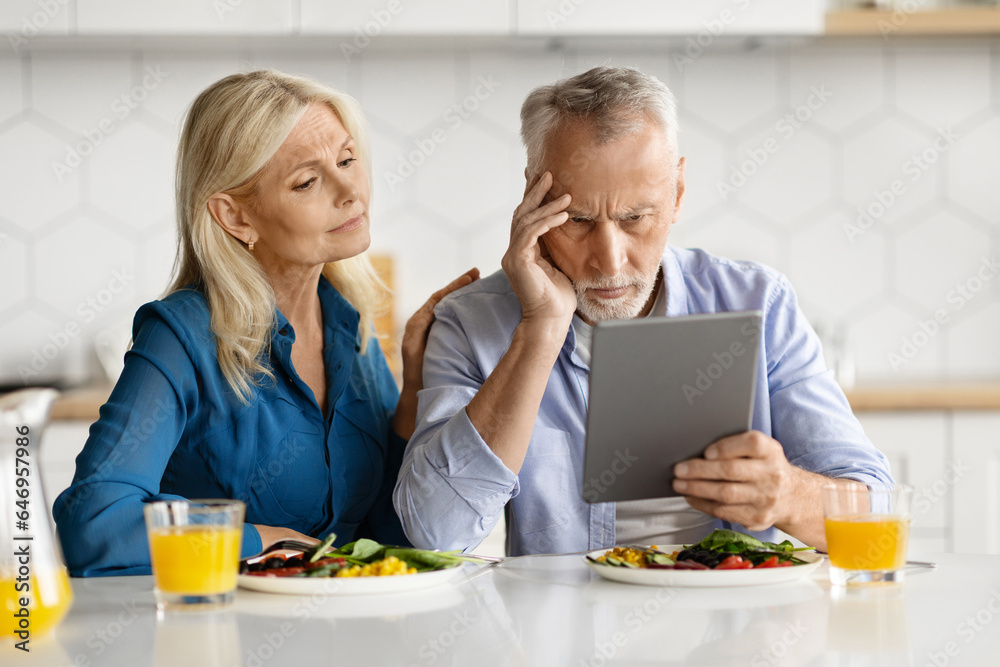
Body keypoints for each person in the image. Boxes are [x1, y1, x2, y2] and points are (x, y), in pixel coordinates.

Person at [393, 66, 892, 556]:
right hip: (564, 633)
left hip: (729, 627)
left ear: (676, 194)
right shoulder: (470, 323)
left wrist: (786, 494)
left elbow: (876, 523)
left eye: (635, 218)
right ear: (532, 200)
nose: (609, 260)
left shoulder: (759, 305)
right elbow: (436, 532)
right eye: (579, 219)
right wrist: (540, 331)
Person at [53, 70, 477, 576]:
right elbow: (93, 523)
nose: (350, 191)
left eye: (347, 159)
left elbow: (386, 534)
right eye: (307, 181)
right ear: (235, 217)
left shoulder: (352, 329)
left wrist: (415, 391)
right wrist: (260, 539)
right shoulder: (181, 335)